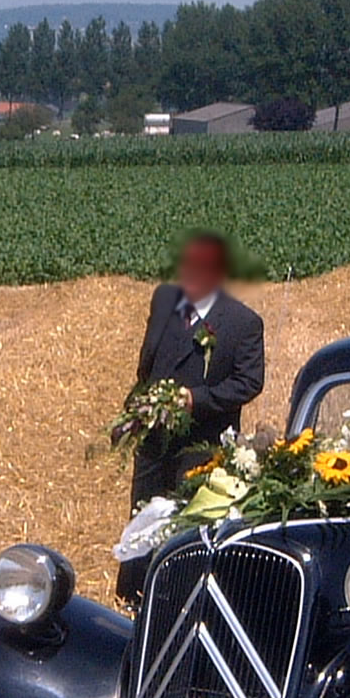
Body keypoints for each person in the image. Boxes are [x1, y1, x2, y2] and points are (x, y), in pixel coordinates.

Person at [116, 230, 264, 600]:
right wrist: (143, 406)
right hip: (155, 436)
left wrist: (195, 399)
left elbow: (248, 383)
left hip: (202, 442)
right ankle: (135, 593)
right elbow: (147, 362)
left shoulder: (242, 322)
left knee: (188, 517)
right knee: (145, 509)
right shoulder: (164, 301)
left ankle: (184, 593)